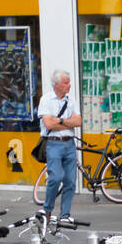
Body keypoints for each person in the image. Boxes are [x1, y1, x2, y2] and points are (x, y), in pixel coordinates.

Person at [35, 69, 82, 221]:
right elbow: (48, 124)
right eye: (66, 83)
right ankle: (47, 209)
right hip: (53, 144)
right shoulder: (46, 100)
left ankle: (65, 214)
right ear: (57, 84)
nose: (69, 85)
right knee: (55, 177)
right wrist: (68, 123)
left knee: (70, 180)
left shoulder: (71, 100)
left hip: (69, 143)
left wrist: (60, 121)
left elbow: (79, 122)